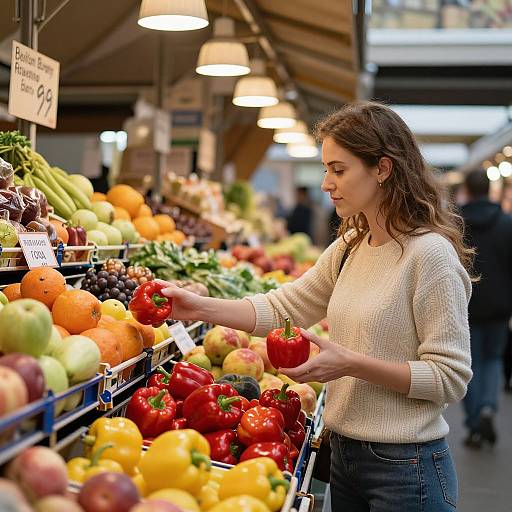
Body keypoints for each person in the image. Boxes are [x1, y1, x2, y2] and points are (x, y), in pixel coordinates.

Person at [161, 101, 473, 512]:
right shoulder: (350, 247)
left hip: (406, 468)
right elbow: (281, 307)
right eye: (326, 169)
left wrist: (350, 364)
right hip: (344, 458)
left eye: (338, 170)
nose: (326, 183)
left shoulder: (429, 256)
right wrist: (199, 307)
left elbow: (449, 378)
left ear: (382, 169)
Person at [459, 170, 512, 447]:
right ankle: (489, 407)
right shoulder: (506, 223)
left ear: (467, 188)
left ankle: (474, 421)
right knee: (493, 360)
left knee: (469, 364)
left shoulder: (457, 224)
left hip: (465, 305)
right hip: (500, 307)